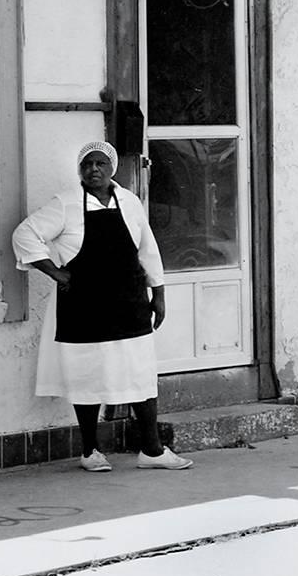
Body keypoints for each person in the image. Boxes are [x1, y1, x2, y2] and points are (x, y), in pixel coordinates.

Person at [12, 139, 193, 472]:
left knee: (140, 375)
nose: (93, 170)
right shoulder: (65, 205)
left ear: (112, 168)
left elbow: (148, 250)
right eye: (87, 165)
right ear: (79, 170)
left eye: (100, 164)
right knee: (86, 376)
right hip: (84, 307)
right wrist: (55, 272)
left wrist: (160, 294)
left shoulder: (130, 202)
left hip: (129, 302)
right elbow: (25, 234)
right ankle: (90, 451)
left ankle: (152, 451)